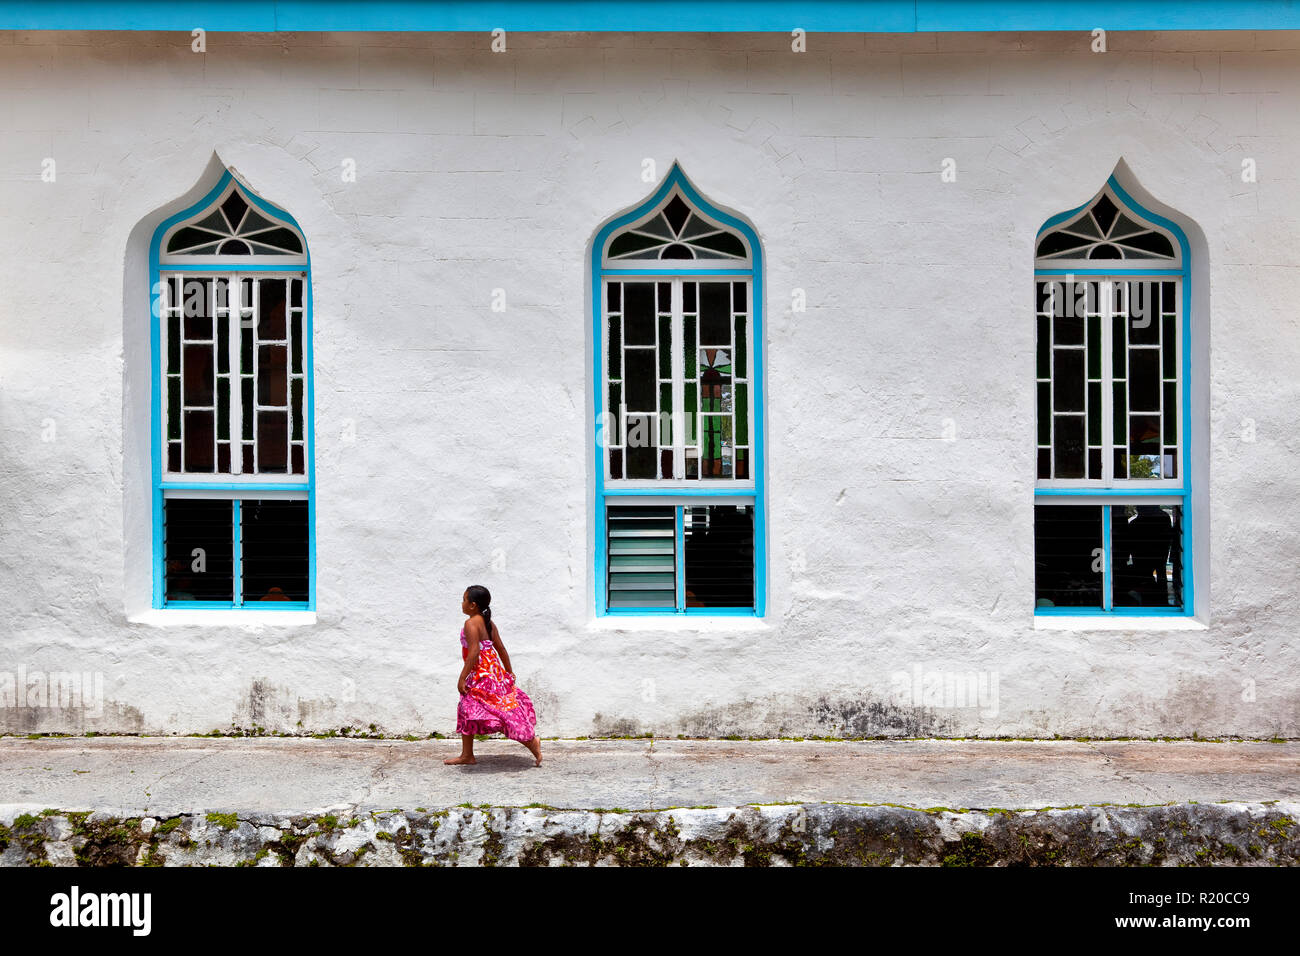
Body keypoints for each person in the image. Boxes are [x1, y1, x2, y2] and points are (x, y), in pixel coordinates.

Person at [444, 585, 542, 767]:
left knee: (491, 711)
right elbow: (501, 648)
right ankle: (467, 755)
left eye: (464, 599)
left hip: (481, 673)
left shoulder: (471, 623)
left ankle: (531, 742)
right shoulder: (488, 623)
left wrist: (462, 678)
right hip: (494, 672)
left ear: (473, 605)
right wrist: (508, 671)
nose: (462, 603)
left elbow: (473, 652)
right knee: (476, 708)